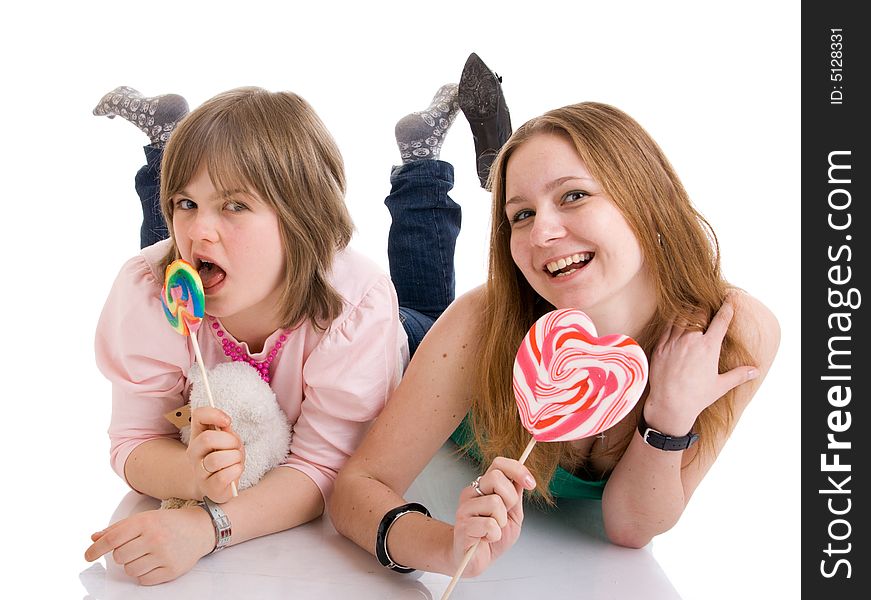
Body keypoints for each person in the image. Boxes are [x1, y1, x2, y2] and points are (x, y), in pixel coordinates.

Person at [329, 100, 781, 578]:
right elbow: (357, 487)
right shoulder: (481, 324)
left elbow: (631, 529)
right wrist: (445, 547)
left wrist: (669, 418)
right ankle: (421, 164)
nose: (541, 233)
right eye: (520, 214)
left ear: (648, 199)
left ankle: (445, 158)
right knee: (412, 318)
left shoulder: (732, 334)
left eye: (573, 196)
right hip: (422, 352)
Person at [84, 75, 486, 584]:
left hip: (390, 332)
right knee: (188, 251)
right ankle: (167, 143)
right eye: (184, 204)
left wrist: (206, 525)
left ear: (302, 222)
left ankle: (421, 161)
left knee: (429, 309)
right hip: (255, 280)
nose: (196, 231)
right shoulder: (150, 289)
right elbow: (134, 441)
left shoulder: (355, 306)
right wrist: (192, 471)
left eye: (235, 205)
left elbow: (322, 470)